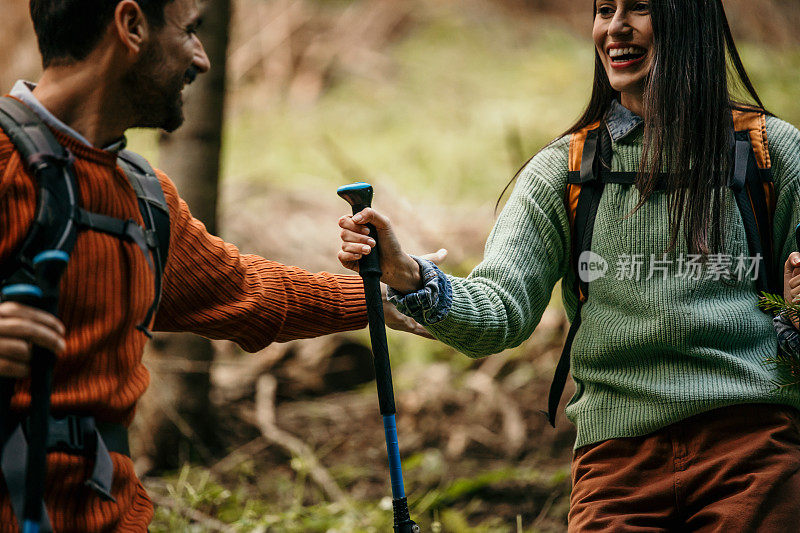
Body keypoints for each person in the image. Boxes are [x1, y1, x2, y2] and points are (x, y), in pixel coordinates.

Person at [340, 0, 800, 530]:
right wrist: (407, 275)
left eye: (641, 8)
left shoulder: (772, 155)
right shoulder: (565, 170)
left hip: (754, 446)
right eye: (605, 9)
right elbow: (500, 312)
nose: (615, 28)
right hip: (617, 464)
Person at [0, 0, 437, 531]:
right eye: (189, 31)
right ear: (131, 26)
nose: (202, 59)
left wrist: (378, 297)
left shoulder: (144, 199)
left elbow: (246, 291)